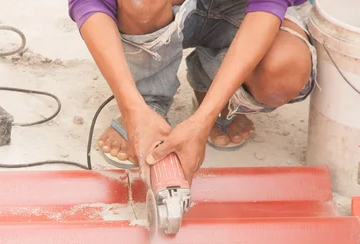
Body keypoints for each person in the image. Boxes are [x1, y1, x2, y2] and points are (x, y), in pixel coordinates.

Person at [68, 0, 315, 183]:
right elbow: (91, 3)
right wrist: (130, 107)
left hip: (244, 10)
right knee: (140, 3)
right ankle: (146, 102)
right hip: (161, 9)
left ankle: (213, 91)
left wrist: (203, 120)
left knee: (285, 70)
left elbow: (269, 4)